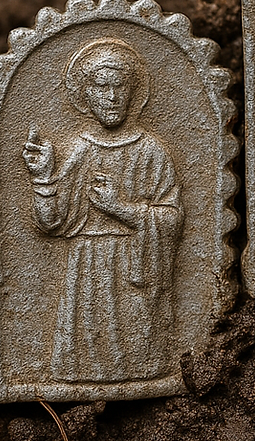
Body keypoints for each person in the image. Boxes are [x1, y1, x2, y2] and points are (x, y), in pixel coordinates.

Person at [22, 38, 182, 384]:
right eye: (101, 87)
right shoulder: (79, 151)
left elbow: (171, 219)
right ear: (86, 94)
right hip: (88, 268)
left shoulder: (152, 152)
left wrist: (120, 209)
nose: (111, 97)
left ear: (132, 91)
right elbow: (50, 223)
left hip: (134, 266)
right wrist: (44, 177)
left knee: (139, 358)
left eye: (119, 87)